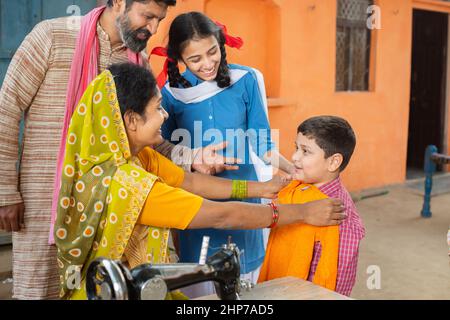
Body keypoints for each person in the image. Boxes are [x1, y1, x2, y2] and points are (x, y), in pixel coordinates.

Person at [0, 0, 237, 300]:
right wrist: (5, 191)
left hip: (107, 214)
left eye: (159, 19)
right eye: (147, 16)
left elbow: (150, 140)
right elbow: (6, 110)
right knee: (39, 291)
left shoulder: (137, 62)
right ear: (120, 3)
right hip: (42, 204)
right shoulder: (51, 37)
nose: (153, 28)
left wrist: (192, 158)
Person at [54, 62, 347, 299]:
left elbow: (191, 183)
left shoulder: (139, 157)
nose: (165, 114)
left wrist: (261, 188)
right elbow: (220, 215)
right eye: (157, 108)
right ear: (131, 120)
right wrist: (301, 213)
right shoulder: (129, 185)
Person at [155, 12, 295, 293]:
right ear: (179, 58)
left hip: (248, 196)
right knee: (200, 282)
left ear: (221, 44)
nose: (207, 64)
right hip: (198, 201)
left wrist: (293, 170)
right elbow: (166, 154)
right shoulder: (170, 95)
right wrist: (196, 159)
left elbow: (262, 142)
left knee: (245, 283)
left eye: (212, 52)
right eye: (195, 59)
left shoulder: (246, 80)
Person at [258, 116, 365, 296]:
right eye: (296, 148)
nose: (294, 157)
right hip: (276, 288)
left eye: (305, 151)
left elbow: (338, 284)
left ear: (333, 162)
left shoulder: (339, 216)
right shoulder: (297, 189)